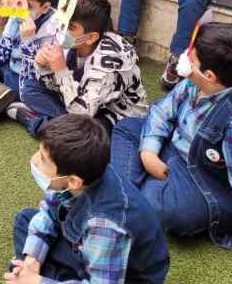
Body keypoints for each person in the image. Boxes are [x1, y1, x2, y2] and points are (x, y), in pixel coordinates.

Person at [111, 22, 232, 272]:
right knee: (126, 127)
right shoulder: (197, 80)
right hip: (175, 150)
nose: (185, 56)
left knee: (176, 213)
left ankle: (124, 193)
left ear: (209, 75)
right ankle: (131, 195)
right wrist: (148, 152)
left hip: (205, 179)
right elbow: (161, 111)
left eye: (191, 56)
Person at [9, 113, 169, 284]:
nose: (34, 160)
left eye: (42, 159)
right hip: (92, 248)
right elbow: (49, 211)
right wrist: (32, 261)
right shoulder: (84, 172)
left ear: (73, 181)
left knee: (20, 271)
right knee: (25, 219)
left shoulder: (105, 224)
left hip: (123, 275)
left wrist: (37, 281)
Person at [18, 0, 147, 135]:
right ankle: (60, 127)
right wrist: (44, 67)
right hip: (81, 100)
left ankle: (36, 123)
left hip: (114, 117)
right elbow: (55, 86)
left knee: (85, 133)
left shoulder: (110, 60)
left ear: (91, 37)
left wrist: (61, 70)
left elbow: (81, 114)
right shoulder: (75, 43)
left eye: (70, 27)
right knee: (31, 88)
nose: (61, 29)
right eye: (61, 21)